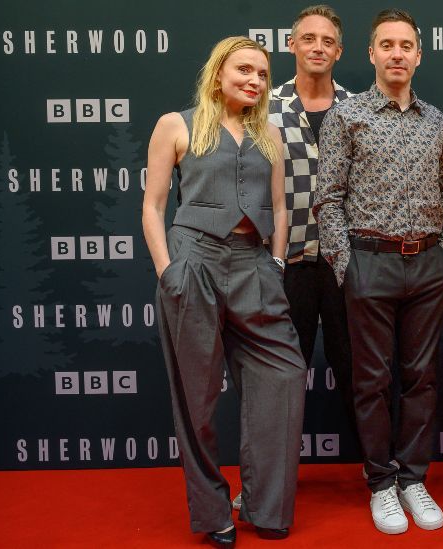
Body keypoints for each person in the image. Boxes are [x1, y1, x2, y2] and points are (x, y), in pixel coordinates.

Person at [142, 36, 307, 547]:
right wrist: (169, 270)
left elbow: (280, 208)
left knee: (286, 371)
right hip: (194, 261)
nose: (254, 80)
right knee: (197, 395)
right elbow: (153, 205)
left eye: (261, 73)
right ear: (219, 73)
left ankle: (266, 504)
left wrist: (276, 261)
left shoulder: (270, 136)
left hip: (254, 263)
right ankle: (214, 510)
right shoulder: (177, 124)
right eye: (244, 70)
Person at [312, 8, 443, 536]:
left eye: (406, 45)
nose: (397, 54)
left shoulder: (436, 120)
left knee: (421, 377)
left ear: (419, 55)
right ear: (371, 54)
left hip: (428, 265)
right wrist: (346, 264)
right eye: (387, 45)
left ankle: (414, 478)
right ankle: (381, 483)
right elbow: (328, 198)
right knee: (371, 381)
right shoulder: (347, 118)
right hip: (368, 261)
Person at [267, 1, 356, 470]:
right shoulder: (264, 106)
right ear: (291, 45)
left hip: (346, 265)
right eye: (308, 38)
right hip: (287, 261)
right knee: (280, 376)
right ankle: (269, 479)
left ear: (338, 51)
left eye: (326, 41)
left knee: (358, 372)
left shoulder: (357, 108)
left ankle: (378, 475)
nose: (317, 47)